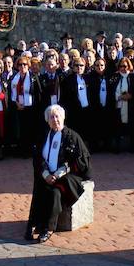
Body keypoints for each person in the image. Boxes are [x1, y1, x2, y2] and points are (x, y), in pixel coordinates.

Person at [25, 104, 92, 243]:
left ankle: (48, 228)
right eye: (51, 117)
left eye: (57, 116)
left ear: (63, 118)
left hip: (67, 175)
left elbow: (79, 161)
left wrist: (57, 174)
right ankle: (34, 224)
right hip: (48, 174)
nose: (55, 119)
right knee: (40, 188)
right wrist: (45, 174)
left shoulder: (72, 136)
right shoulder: (44, 136)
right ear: (47, 120)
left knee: (55, 192)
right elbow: (38, 158)